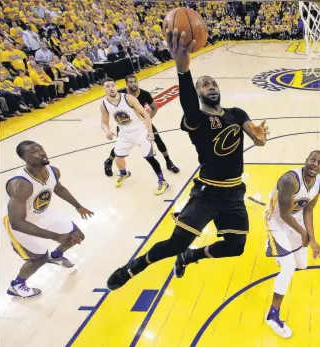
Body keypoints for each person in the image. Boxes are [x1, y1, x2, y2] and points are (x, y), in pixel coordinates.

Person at [106, 30, 269, 290]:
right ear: (198, 92)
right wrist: (183, 71)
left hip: (234, 192)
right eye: (205, 85)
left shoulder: (237, 113)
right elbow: (189, 106)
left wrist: (260, 138)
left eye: (213, 84)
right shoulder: (196, 119)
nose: (211, 87)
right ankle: (134, 266)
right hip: (208, 192)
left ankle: (191, 256)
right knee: (175, 243)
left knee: (235, 247)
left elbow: (257, 138)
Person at [1, 141, 93, 298]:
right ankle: (17, 285)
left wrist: (78, 206)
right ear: (25, 158)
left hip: (41, 213)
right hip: (19, 223)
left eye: (41, 149)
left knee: (77, 236)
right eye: (34, 151)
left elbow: (59, 188)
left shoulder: (52, 171)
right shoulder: (20, 184)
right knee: (39, 258)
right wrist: (56, 236)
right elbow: (17, 223)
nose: (41, 153)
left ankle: (56, 256)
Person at [264, 151, 320, 338]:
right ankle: (272, 315)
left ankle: (280, 253)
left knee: (302, 265)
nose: (315, 164)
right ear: (306, 161)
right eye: (312, 160)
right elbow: (283, 214)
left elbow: (308, 210)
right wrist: (302, 233)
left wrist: (312, 239)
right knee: (289, 267)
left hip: (296, 220)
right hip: (275, 221)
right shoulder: (290, 180)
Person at [100, 78, 169, 195]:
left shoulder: (128, 98)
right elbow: (104, 122)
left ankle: (162, 181)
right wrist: (107, 131)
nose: (111, 88)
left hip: (139, 130)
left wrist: (150, 131)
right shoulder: (104, 105)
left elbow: (145, 114)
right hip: (123, 133)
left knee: (149, 157)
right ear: (103, 88)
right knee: (118, 157)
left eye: (112, 85)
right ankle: (124, 173)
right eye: (107, 86)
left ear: (115, 86)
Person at [103, 75, 179, 177]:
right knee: (120, 146)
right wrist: (107, 129)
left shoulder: (145, 94)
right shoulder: (120, 94)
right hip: (124, 124)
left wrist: (147, 121)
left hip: (140, 123)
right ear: (126, 84)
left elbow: (154, 109)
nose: (133, 84)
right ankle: (109, 161)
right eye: (130, 82)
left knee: (158, 141)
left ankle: (169, 162)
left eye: (135, 81)